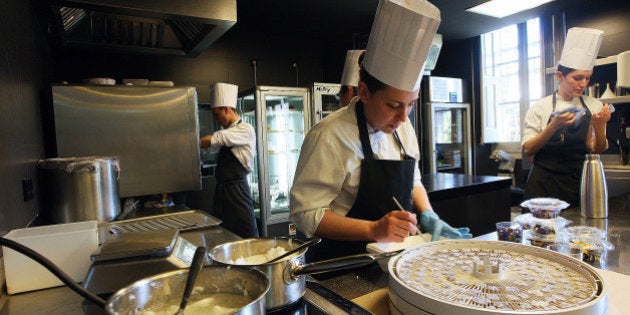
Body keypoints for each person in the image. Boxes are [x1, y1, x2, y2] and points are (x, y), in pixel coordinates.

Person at [290, 0, 471, 261]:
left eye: (410, 105)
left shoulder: (404, 126)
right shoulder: (329, 135)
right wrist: (373, 229)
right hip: (344, 264)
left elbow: (414, 182)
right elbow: (305, 214)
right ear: (364, 92)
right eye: (394, 105)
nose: (402, 116)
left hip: (399, 258)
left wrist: (429, 213)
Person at [522, 27, 611, 208]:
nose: (583, 84)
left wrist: (600, 126)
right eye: (577, 78)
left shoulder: (594, 105)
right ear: (559, 76)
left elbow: (595, 149)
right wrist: (553, 126)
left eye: (587, 78)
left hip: (579, 183)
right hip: (543, 185)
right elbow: (528, 150)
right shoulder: (540, 107)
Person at [200, 82, 259, 238]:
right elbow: (210, 147)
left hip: (238, 192)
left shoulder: (245, 129)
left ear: (226, 109)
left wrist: (187, 144)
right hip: (223, 192)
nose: (216, 119)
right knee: (223, 235)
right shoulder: (228, 132)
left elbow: (215, 139)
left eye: (217, 114)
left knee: (247, 235)